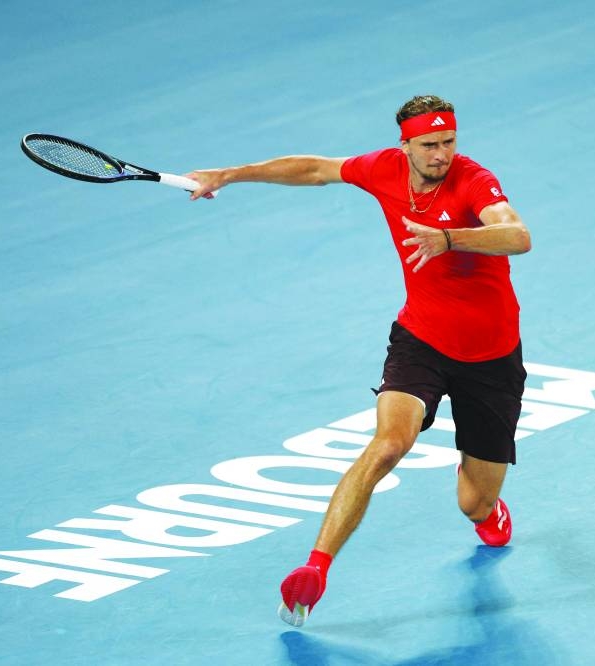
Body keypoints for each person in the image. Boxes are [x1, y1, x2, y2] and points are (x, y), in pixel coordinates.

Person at [186, 95, 531, 627]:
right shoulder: (383, 170)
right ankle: (316, 567)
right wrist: (230, 175)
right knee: (389, 444)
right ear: (406, 145)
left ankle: (488, 510)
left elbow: (517, 235)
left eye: (449, 142)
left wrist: (447, 238)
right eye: (429, 145)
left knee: (474, 504)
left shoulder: (472, 180)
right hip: (422, 339)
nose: (441, 154)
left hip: (491, 359)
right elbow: (314, 169)